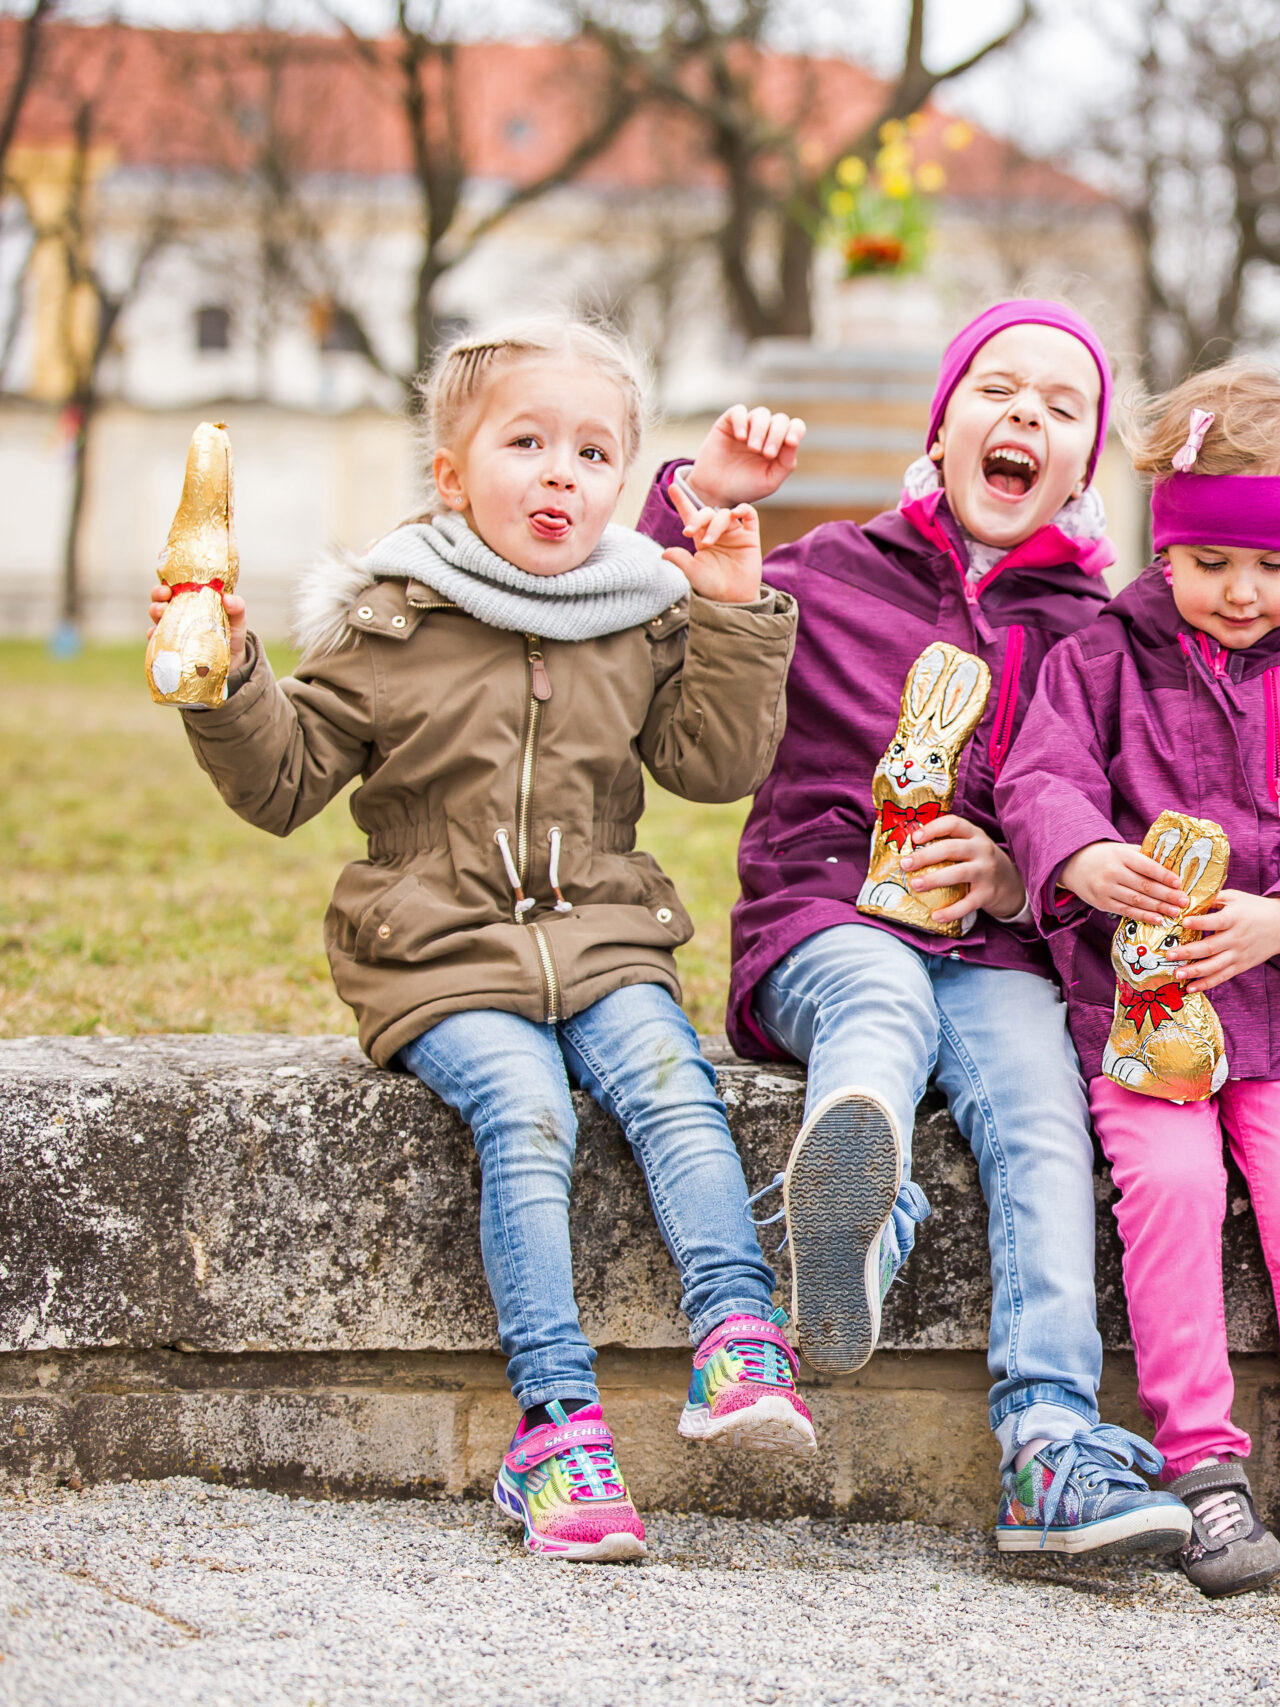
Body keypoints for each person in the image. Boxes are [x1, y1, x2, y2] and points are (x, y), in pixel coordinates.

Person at [157, 318, 806, 1561]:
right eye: (526, 443)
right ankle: (555, 1428)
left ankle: (738, 1336)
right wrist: (228, 675)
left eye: (592, 451)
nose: (561, 473)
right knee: (526, 1110)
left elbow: (713, 766)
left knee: (675, 1090)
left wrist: (729, 610)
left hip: (604, 939)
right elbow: (284, 781)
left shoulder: (642, 612)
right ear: (450, 474)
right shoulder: (391, 621)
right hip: (439, 950)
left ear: (624, 480)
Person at [645, 300, 1191, 1557]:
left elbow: (1104, 816)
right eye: (998, 390)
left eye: (1063, 410)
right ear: (940, 427)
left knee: (1047, 1114)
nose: (1026, 419)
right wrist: (695, 491)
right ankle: (861, 1225)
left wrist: (1014, 876)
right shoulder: (830, 569)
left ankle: (1048, 1441)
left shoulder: (1092, 634)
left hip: (997, 948)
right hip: (825, 915)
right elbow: (658, 599)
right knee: (877, 998)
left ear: (1084, 466)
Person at [998, 364, 1280, 1599]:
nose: (1241, 592)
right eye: (1209, 561)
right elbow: (1039, 781)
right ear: (1167, 544)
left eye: (1271, 566)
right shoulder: (1100, 658)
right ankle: (1198, 1464)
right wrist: (1083, 858)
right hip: (1139, 1010)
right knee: (1172, 1186)